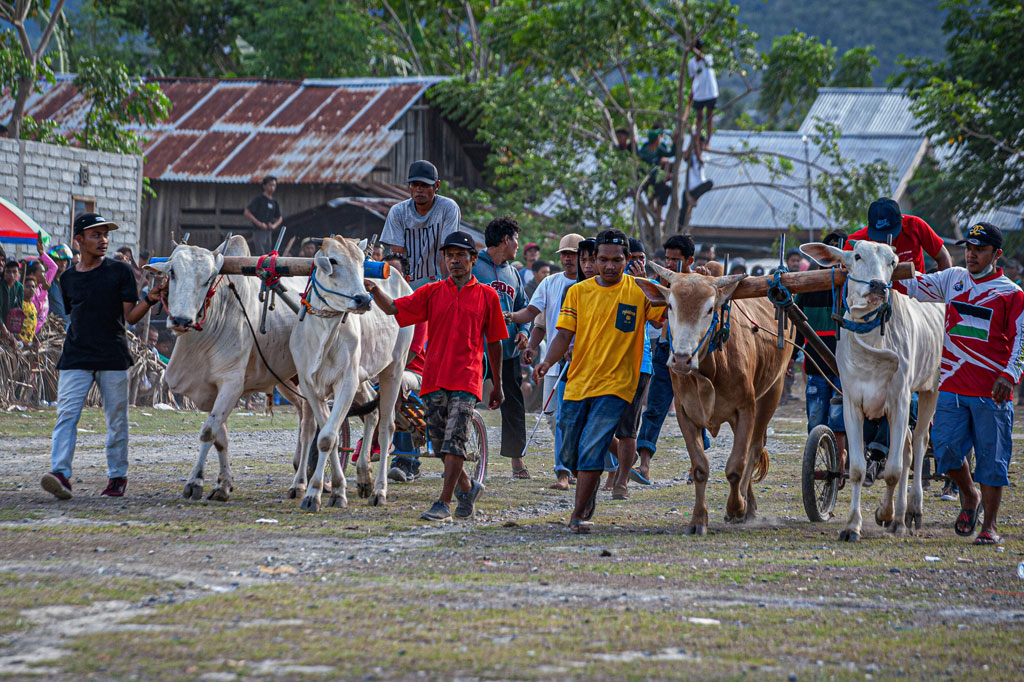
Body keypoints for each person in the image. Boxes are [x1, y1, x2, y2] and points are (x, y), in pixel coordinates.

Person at [365, 231, 506, 521]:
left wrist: (497, 384)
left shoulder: (487, 296)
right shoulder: (431, 292)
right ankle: (467, 487)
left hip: (467, 379)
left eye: (460, 256)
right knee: (442, 445)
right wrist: (374, 290)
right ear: (443, 259)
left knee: (455, 441)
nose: (454, 261)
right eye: (449, 255)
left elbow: (495, 342)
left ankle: (443, 502)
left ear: (473, 259)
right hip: (433, 379)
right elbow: (395, 309)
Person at [533, 229, 666, 533]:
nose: (609, 266)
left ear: (627, 260)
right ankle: (588, 496)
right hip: (580, 381)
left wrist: (652, 286)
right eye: (602, 259)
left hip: (619, 384)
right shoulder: (578, 292)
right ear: (592, 260)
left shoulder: (640, 290)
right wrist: (547, 362)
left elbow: (663, 317)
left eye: (617, 260)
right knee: (569, 446)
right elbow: (564, 333)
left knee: (593, 444)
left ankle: (579, 514)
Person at [903, 222, 1022, 546]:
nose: (971, 255)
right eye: (968, 248)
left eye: (979, 250)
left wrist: (1009, 376)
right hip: (952, 387)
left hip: (991, 392)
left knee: (991, 461)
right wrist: (878, 273)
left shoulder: (1012, 293)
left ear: (996, 254)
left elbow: (1021, 343)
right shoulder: (952, 279)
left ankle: (990, 526)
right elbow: (914, 286)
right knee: (945, 452)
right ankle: (970, 495)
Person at [40, 213, 168, 500]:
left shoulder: (119, 272)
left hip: (112, 354)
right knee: (66, 415)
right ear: (79, 239)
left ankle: (117, 477)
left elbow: (129, 316)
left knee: (117, 419)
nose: (103, 240)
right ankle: (60, 473)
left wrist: (150, 299)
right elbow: (76, 314)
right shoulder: (68, 278)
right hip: (75, 355)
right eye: (95, 234)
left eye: (105, 234)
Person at [511, 233, 584, 490]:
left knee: (573, 417)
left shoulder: (594, 284)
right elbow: (536, 319)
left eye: (573, 254)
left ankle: (567, 469)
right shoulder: (550, 283)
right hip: (554, 362)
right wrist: (530, 346)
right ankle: (569, 461)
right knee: (553, 416)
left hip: (585, 363)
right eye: (564, 254)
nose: (568, 259)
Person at [634, 234, 705, 483]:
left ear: (690, 260)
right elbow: (654, 319)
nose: (670, 263)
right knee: (654, 407)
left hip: (694, 355)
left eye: (675, 259)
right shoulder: (662, 282)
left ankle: (696, 466)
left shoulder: (701, 282)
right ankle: (643, 466)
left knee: (695, 410)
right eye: (667, 258)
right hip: (666, 349)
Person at [473, 217, 531, 478]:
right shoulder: (474, 266)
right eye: (516, 239)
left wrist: (523, 332)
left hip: (507, 350)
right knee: (464, 401)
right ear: (506, 239)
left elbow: (523, 307)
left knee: (514, 405)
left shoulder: (513, 273)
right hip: (475, 349)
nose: (517, 245)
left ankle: (517, 462)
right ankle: (457, 457)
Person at [606, 238, 657, 499]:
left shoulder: (645, 287)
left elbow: (660, 320)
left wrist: (646, 282)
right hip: (603, 363)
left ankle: (621, 481)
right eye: (632, 258)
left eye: (641, 258)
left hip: (638, 363)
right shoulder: (605, 284)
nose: (636, 263)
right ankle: (621, 463)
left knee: (627, 428)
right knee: (598, 425)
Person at [794, 230, 848, 472]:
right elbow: (797, 324)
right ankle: (818, 464)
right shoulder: (808, 286)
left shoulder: (853, 288)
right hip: (815, 366)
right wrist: (788, 360)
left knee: (839, 422)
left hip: (846, 368)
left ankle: (838, 465)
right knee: (815, 419)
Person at [380, 160, 462, 287]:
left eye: (424, 185)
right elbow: (396, 257)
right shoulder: (398, 212)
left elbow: (447, 252)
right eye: (415, 184)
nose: (419, 189)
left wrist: (448, 289)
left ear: (437, 185)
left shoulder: (448, 208)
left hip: (437, 284)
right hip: (408, 286)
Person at [846, 197, 952, 291]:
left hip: (916, 300)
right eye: (880, 235)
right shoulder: (857, 242)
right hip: (876, 299)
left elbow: (943, 257)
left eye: (891, 232)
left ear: (901, 219)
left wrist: (944, 292)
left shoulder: (916, 226)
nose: (885, 239)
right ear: (870, 226)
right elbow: (844, 274)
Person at [638, 129, 675, 216]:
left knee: (667, 189)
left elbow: (670, 153)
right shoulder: (644, 150)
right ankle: (651, 200)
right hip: (646, 180)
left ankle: (658, 211)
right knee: (658, 186)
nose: (660, 139)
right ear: (656, 139)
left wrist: (675, 142)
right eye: (659, 137)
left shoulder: (659, 149)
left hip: (656, 180)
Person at [688, 40, 719, 143]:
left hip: (710, 92)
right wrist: (692, 92)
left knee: (709, 117)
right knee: (699, 118)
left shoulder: (708, 58)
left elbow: (702, 56)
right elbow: (693, 79)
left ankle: (708, 142)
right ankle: (697, 141)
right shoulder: (691, 63)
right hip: (699, 94)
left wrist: (692, 48)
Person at [243, 175, 283, 256]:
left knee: (269, 252)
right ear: (264, 186)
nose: (272, 187)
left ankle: (267, 268)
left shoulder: (274, 202)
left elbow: (279, 218)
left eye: (274, 185)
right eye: (270, 185)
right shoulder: (259, 199)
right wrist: (259, 224)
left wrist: (274, 226)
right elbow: (247, 212)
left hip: (268, 231)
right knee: (260, 253)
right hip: (258, 231)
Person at [683, 135, 713, 218]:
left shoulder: (705, 156)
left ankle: (694, 199)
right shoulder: (691, 155)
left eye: (701, 145)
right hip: (689, 188)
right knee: (683, 212)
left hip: (698, 186)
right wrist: (693, 141)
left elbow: (700, 160)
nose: (699, 147)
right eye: (698, 145)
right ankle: (679, 228)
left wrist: (697, 149)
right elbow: (686, 157)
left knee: (710, 183)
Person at [46, 244, 74, 328]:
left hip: (67, 328)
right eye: (59, 260)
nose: (63, 263)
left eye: (65, 260)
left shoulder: (67, 282)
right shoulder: (48, 281)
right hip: (51, 328)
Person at [1, 259, 23, 343]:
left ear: (18, 273)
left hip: (10, 330)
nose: (12, 275)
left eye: (14, 272)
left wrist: (13, 332)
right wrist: (3, 328)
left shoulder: (19, 287)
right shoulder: (1, 286)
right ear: (4, 273)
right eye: (8, 272)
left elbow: (18, 311)